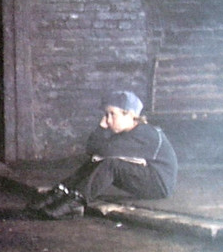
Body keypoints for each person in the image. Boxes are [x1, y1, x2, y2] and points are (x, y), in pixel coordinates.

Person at [31, 90, 177, 219]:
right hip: (147, 177)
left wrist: (101, 129)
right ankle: (61, 191)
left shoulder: (145, 133)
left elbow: (101, 150)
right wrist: (101, 137)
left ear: (130, 115)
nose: (107, 120)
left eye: (112, 114)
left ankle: (75, 202)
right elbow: (93, 150)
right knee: (96, 161)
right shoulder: (127, 132)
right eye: (106, 114)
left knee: (110, 164)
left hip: (159, 185)